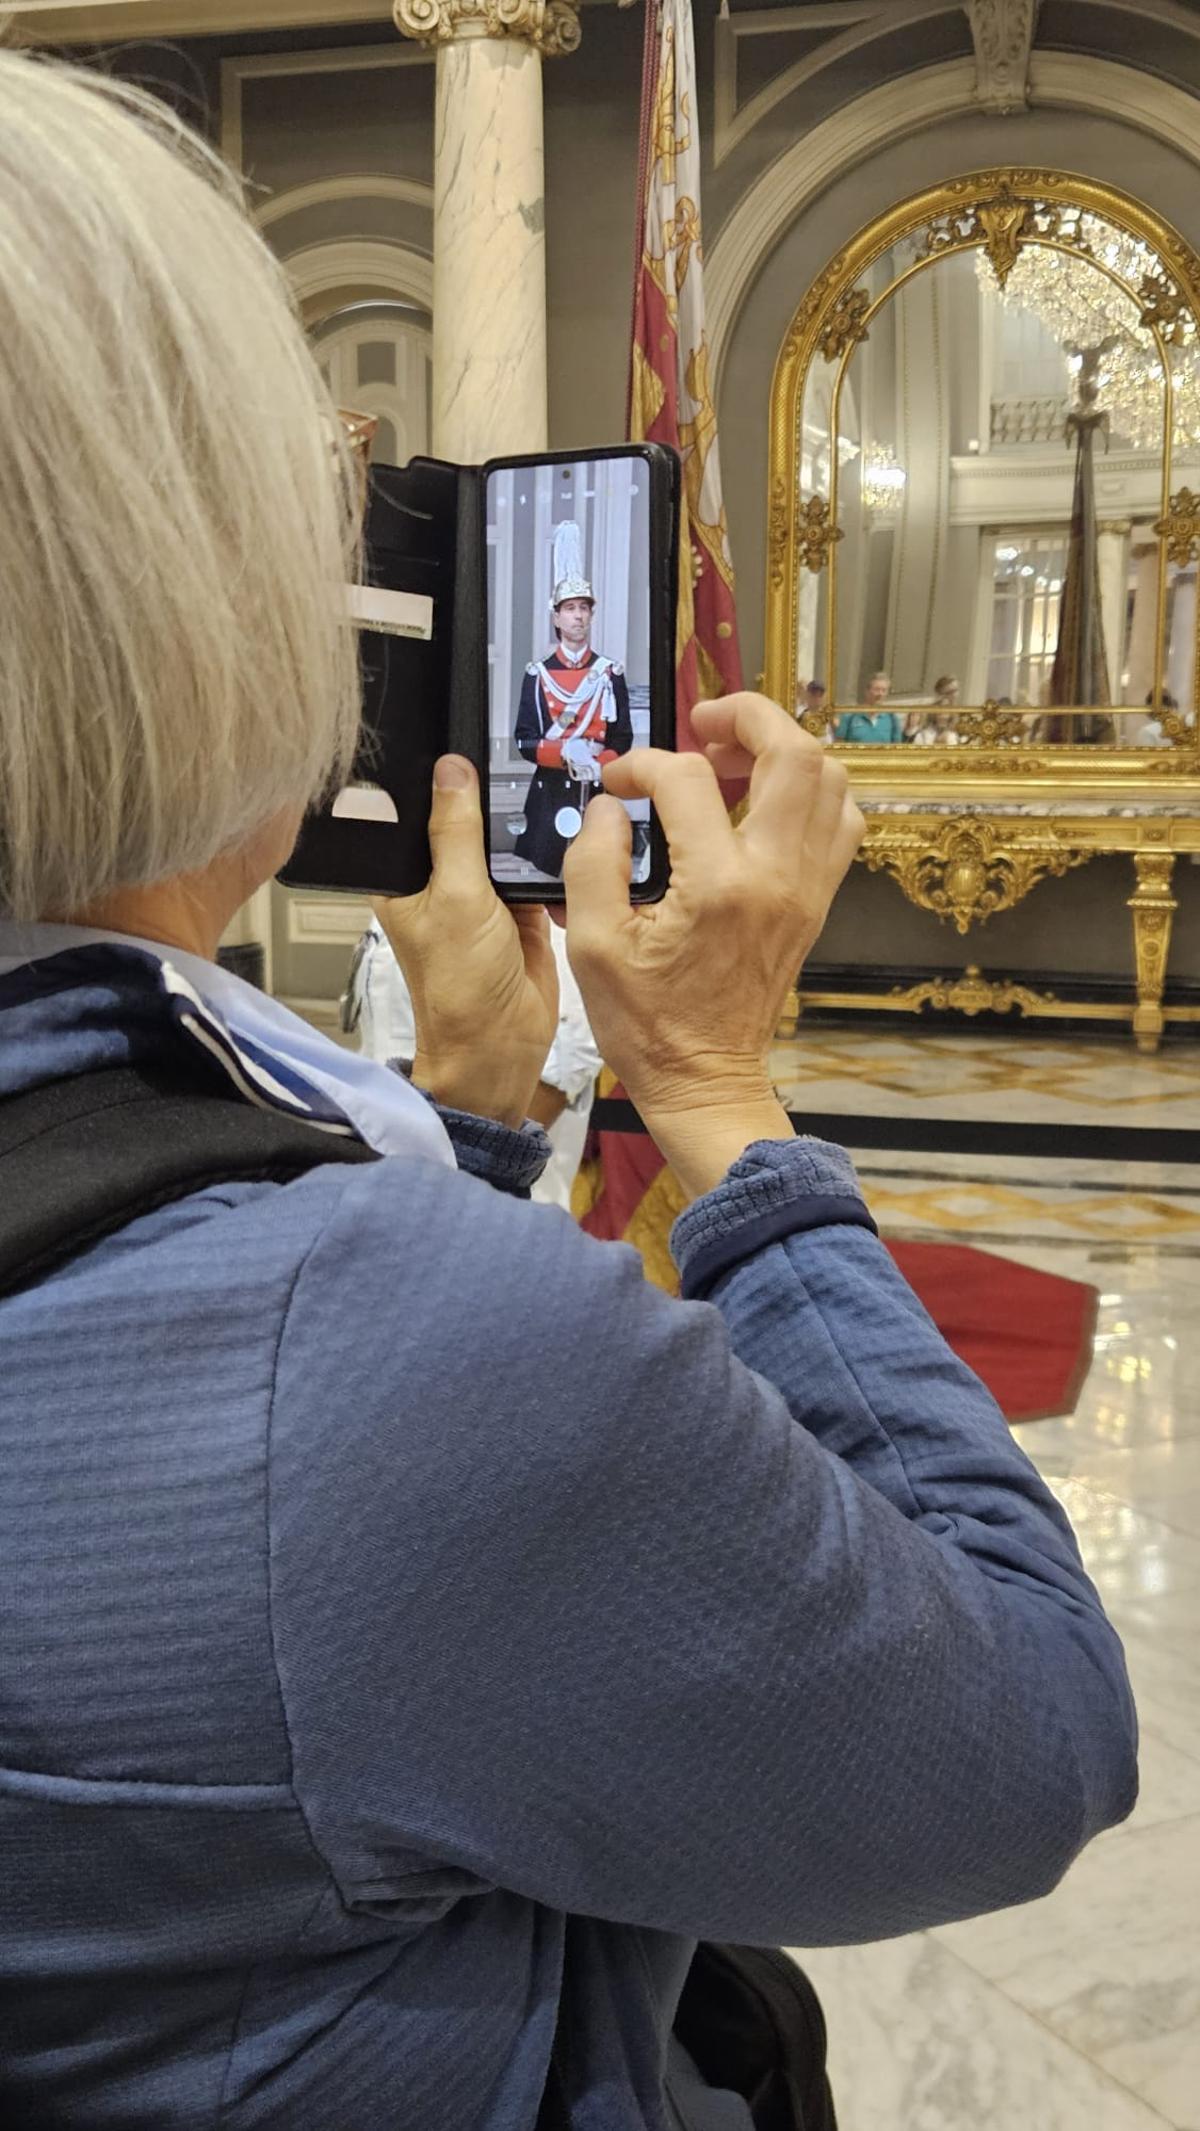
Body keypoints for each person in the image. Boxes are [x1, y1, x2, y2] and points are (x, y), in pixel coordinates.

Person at [0, 52, 1137, 2131]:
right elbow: (1027, 1741)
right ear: (216, 610)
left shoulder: (348, 1309)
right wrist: (710, 1084)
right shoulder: (370, 1355)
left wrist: (468, 1132)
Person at [346, 915, 601, 1210]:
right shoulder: (403, 892)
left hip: (483, 1207)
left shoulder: (540, 911)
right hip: (386, 1184)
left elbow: (554, 1071)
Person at [513, 521, 633, 880]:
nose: (578, 615)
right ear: (556, 617)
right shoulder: (538, 674)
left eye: (584, 607)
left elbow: (621, 738)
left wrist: (601, 764)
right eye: (570, 608)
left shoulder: (610, 673)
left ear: (592, 615)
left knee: (599, 877)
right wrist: (563, 752)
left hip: (597, 788)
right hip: (550, 792)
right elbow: (524, 740)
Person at [834, 671, 905, 744]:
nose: (880, 694)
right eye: (877, 689)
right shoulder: (850, 715)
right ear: (867, 691)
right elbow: (839, 744)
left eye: (884, 690)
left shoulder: (891, 717)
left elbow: (897, 747)